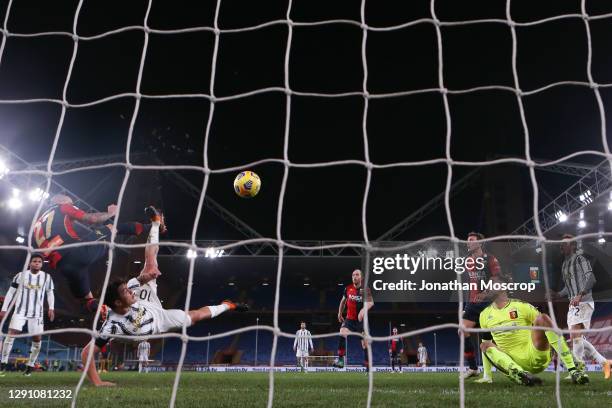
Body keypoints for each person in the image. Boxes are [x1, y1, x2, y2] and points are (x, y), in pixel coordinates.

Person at [81, 208, 248, 386]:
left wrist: (147, 275)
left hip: (146, 303)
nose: (130, 291)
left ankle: (155, 223)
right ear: (116, 303)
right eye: (126, 292)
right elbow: (87, 353)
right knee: (195, 316)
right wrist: (98, 382)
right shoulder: (111, 327)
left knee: (151, 264)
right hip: (159, 321)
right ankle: (156, 225)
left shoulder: (130, 289)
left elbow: (138, 281)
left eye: (128, 289)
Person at [32, 194, 162, 313]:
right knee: (114, 228)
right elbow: (93, 218)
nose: (72, 205)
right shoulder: (62, 207)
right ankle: (154, 224)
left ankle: (108, 314)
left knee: (87, 301)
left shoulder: (38, 225)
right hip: (77, 252)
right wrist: (111, 213)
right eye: (70, 203)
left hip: (64, 267)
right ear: (60, 201)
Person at [480, 277, 589, 385]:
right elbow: (487, 347)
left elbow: (548, 327)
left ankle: (573, 369)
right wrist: (487, 376)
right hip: (510, 361)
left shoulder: (521, 306)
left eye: (492, 283)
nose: (488, 286)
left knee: (543, 319)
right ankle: (518, 373)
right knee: (484, 345)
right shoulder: (484, 314)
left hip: (534, 354)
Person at [551, 234, 610, 379]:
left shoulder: (580, 259)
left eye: (565, 244)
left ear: (573, 246)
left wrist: (580, 295)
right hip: (573, 304)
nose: (561, 246)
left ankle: (580, 369)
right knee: (576, 337)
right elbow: (568, 286)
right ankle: (604, 362)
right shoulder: (565, 264)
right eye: (561, 244)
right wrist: (558, 294)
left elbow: (591, 278)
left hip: (583, 302)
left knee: (575, 336)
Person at [0, 254, 54, 377]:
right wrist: (4, 309)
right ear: (30, 263)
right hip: (20, 311)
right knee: (10, 336)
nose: (37, 263)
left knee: (37, 339)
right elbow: (10, 292)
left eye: (39, 261)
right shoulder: (20, 275)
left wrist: (51, 308)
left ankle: (30, 365)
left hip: (37, 314)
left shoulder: (46, 277)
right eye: (34, 261)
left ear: (42, 264)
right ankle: (3, 363)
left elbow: (50, 293)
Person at [461, 232, 501, 383]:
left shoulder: (490, 259)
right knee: (462, 330)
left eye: (471, 240)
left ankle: (488, 375)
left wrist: (486, 292)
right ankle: (473, 368)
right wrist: (466, 305)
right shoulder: (468, 261)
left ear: (480, 243)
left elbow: (497, 278)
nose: (468, 243)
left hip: (487, 302)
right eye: (467, 240)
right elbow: (470, 285)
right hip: (472, 303)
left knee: (486, 339)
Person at [332, 269, 374, 369]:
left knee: (365, 344)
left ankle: (368, 368)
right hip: (349, 320)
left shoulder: (365, 289)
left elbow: (371, 302)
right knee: (342, 332)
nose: (354, 277)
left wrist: (363, 310)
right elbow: (343, 301)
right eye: (353, 275)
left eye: (357, 275)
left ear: (361, 277)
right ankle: (341, 361)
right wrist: (339, 313)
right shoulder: (347, 289)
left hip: (361, 322)